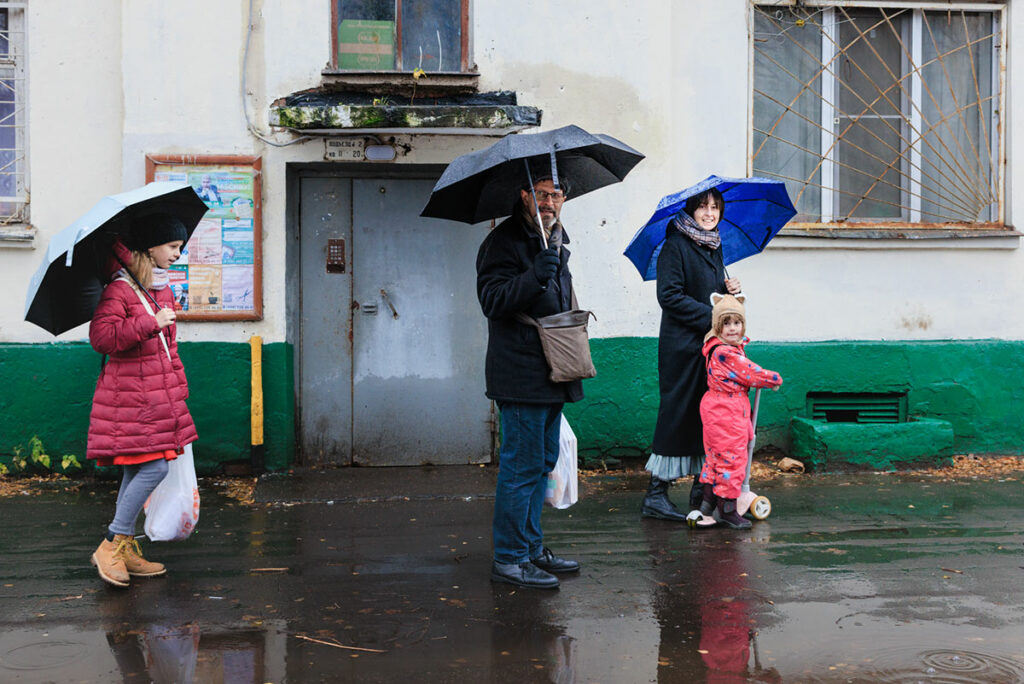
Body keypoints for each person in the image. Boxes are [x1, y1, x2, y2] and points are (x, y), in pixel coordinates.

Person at [476, 173, 582, 589]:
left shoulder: (554, 240)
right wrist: (535, 275)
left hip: (552, 369)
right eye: (542, 195)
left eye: (557, 194)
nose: (551, 202)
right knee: (520, 469)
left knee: (541, 465)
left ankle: (531, 548)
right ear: (524, 196)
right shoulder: (502, 243)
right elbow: (493, 301)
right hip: (519, 372)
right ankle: (509, 558)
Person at [87, 213, 198, 588]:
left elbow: (169, 349)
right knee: (155, 469)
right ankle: (110, 544)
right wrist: (151, 322)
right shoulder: (120, 289)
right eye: (172, 247)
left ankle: (126, 546)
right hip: (129, 396)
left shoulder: (159, 290)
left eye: (180, 247)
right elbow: (102, 338)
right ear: (150, 247)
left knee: (137, 468)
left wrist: (178, 389)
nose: (177, 254)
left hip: (157, 395)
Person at [641, 188, 742, 521]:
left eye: (715, 207)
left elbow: (709, 293)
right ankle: (656, 495)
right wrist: (714, 316)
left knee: (708, 419)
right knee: (677, 414)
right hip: (681, 348)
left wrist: (729, 292)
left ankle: (702, 494)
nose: (709, 213)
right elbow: (669, 296)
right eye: (703, 207)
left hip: (708, 348)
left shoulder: (713, 245)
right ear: (691, 211)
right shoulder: (676, 245)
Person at [695, 293, 782, 529]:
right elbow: (750, 372)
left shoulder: (721, 347)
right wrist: (773, 379)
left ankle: (707, 503)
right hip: (727, 410)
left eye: (737, 323)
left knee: (716, 457)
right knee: (732, 459)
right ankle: (728, 508)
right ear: (718, 327)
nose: (733, 329)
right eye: (726, 324)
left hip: (720, 407)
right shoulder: (726, 353)